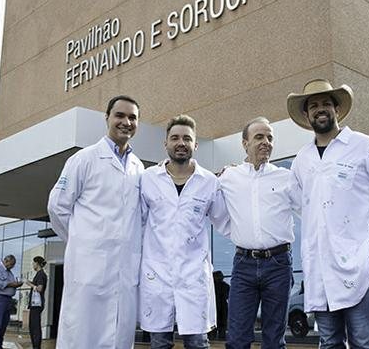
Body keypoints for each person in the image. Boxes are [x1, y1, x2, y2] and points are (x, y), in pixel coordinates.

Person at [287, 79, 369, 349]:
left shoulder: (364, 146)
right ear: (307, 116)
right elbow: (297, 203)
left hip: (356, 260)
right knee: (329, 341)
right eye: (314, 105)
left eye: (326, 104)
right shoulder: (302, 159)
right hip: (319, 263)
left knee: (363, 340)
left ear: (336, 110)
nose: (321, 109)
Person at [48, 95, 145, 349]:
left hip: (124, 272)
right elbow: (57, 207)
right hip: (87, 269)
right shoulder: (84, 159)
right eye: (120, 116)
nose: (126, 122)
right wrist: (83, 241)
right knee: (83, 335)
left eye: (132, 117)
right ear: (107, 118)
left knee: (119, 337)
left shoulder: (138, 167)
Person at [139, 114, 230, 349]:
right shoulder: (148, 179)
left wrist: (237, 180)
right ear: (166, 143)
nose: (181, 143)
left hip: (193, 278)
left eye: (187, 139)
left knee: (198, 343)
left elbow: (226, 222)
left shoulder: (209, 182)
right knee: (159, 344)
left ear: (195, 145)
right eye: (175, 138)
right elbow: (135, 223)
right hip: (156, 276)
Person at [219, 116, 298, 349]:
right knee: (237, 338)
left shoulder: (286, 177)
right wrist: (236, 233)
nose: (266, 142)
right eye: (259, 137)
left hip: (279, 264)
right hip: (243, 265)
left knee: (274, 339)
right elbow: (211, 207)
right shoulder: (229, 177)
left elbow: (311, 210)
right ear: (245, 143)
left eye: (270, 137)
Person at [0, 254, 22, 349]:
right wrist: (13, 284)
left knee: (3, 324)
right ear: (6, 261)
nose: (12, 267)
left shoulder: (9, 272)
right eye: (11, 264)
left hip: (7, 300)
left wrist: (16, 284)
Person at [24, 256, 48, 349]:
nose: (32, 265)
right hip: (35, 305)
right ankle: (35, 346)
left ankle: (36, 347)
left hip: (37, 305)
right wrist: (28, 281)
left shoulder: (41, 274)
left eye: (33, 263)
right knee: (33, 326)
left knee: (35, 327)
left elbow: (39, 288)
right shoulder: (39, 274)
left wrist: (28, 283)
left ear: (37, 263)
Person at [211, 271, 229, 341]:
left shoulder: (211, 286)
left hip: (220, 307)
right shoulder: (225, 286)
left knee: (218, 324)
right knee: (218, 325)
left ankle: (217, 337)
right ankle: (219, 337)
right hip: (218, 307)